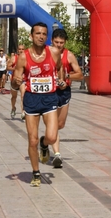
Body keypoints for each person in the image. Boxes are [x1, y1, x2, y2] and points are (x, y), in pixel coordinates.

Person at [11, 22, 65, 187]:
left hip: (49, 98)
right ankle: (36, 173)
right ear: (31, 36)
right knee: (32, 140)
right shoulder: (23, 57)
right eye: (38, 34)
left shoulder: (54, 52)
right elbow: (14, 83)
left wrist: (61, 80)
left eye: (44, 34)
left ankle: (45, 144)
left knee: (52, 136)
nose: (41, 36)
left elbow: (60, 67)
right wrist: (16, 81)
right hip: (32, 100)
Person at [50, 29, 84, 168]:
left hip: (64, 92)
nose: (58, 45)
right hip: (50, 92)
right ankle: (57, 154)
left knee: (60, 124)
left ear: (65, 43)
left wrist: (67, 77)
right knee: (52, 125)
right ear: (52, 41)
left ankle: (46, 141)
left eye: (61, 43)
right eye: (56, 42)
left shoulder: (69, 55)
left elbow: (80, 75)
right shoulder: (45, 54)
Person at [7, 45, 26, 120]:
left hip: (22, 80)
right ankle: (13, 108)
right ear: (17, 50)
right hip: (14, 80)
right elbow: (7, 67)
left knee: (23, 96)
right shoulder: (14, 58)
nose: (21, 50)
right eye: (19, 49)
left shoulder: (26, 58)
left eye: (22, 49)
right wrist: (15, 68)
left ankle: (23, 112)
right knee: (14, 97)